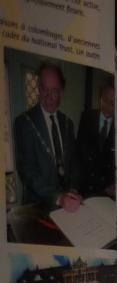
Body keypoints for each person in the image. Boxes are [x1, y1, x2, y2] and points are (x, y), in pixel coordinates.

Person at [13, 61, 81, 211]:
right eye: (45, 89)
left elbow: (74, 162)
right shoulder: (23, 122)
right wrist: (58, 197)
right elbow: (27, 170)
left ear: (62, 93)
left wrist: (74, 190)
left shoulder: (68, 123)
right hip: (37, 207)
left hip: (66, 206)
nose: (49, 96)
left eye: (55, 91)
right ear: (38, 88)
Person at [76, 77, 114, 198]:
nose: (107, 106)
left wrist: (114, 184)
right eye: (104, 100)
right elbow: (79, 153)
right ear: (100, 97)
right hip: (86, 187)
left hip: (107, 190)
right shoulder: (87, 117)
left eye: (112, 103)